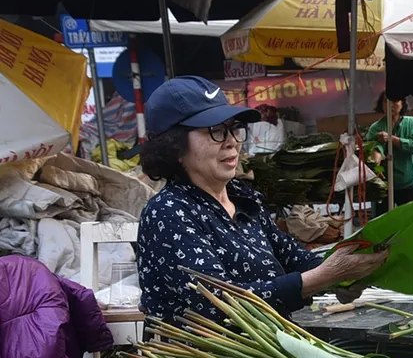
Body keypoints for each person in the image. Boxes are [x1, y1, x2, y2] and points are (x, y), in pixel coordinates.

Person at [136, 76, 387, 325]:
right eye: (215, 131)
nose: (232, 142)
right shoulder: (167, 212)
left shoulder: (242, 199)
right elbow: (221, 303)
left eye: (233, 128)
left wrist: (343, 275)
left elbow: (294, 257)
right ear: (174, 147)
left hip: (269, 347)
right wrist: (322, 277)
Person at [366, 91, 413, 213]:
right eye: (386, 101)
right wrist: (376, 164)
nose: (390, 104)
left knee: (409, 221)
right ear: (381, 105)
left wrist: (392, 139)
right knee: (383, 224)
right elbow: (375, 152)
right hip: (383, 186)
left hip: (408, 184)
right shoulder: (376, 128)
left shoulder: (411, 122)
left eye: (395, 101)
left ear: (402, 103)